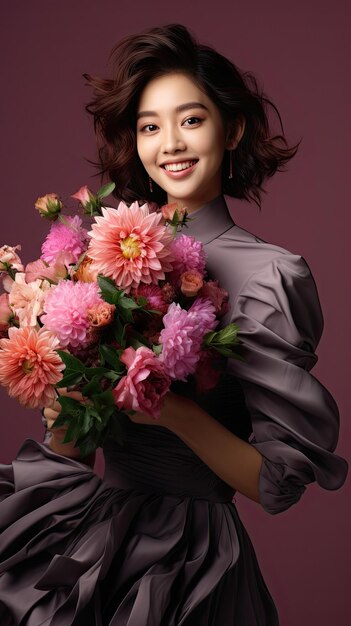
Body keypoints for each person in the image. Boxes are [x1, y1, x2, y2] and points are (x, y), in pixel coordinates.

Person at [0, 23, 348, 626]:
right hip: (97, 540)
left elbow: (276, 485)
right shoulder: (95, 254)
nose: (170, 144)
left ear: (231, 128)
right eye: (149, 126)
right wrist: (74, 402)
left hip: (194, 563)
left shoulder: (271, 275)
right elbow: (76, 449)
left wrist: (174, 412)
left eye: (191, 119)